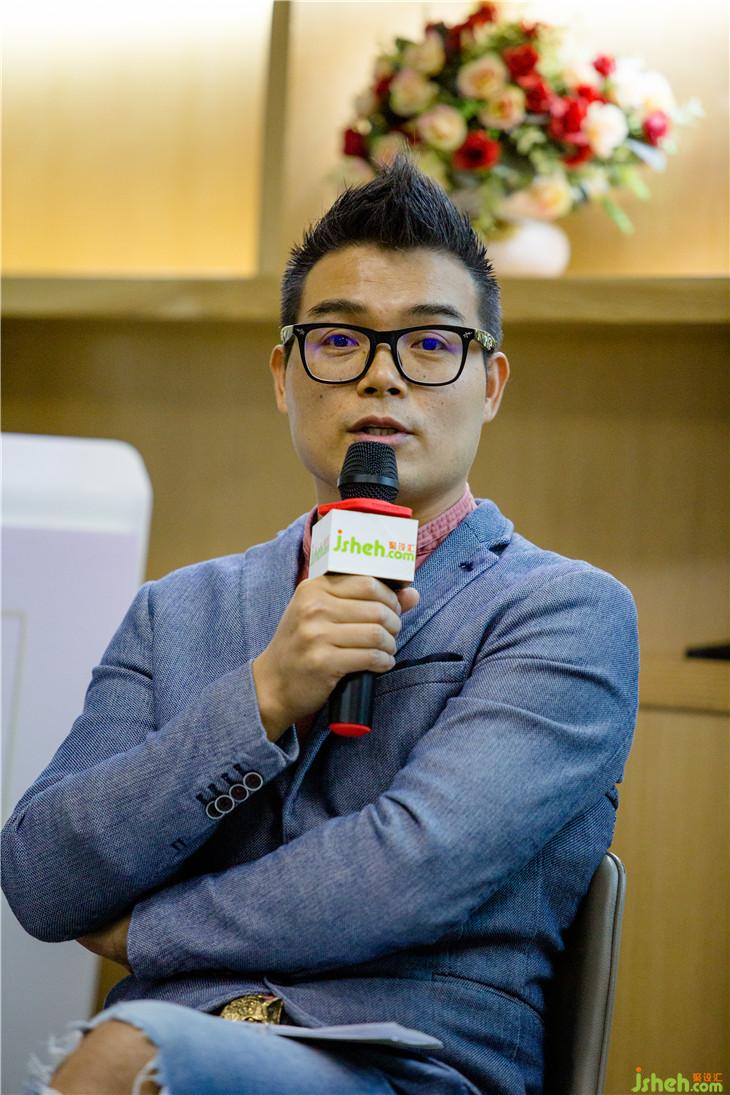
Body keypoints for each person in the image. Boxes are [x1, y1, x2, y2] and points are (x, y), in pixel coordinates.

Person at [1, 152, 639, 1095]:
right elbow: (43, 876)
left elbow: (411, 867)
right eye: (339, 340)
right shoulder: (175, 610)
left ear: (491, 382)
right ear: (283, 374)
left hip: (410, 1064)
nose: (381, 378)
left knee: (124, 1057)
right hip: (180, 1034)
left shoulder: (565, 612)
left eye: (431, 343)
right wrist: (263, 696)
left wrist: (147, 931)